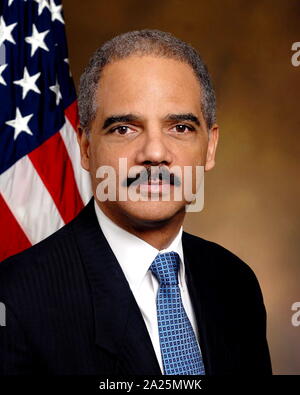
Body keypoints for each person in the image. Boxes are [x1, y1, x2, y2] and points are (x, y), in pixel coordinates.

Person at [0, 30, 272, 375]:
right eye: (124, 129)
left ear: (210, 146)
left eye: (181, 127)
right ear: (86, 147)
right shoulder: (16, 299)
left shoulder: (235, 283)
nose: (155, 153)